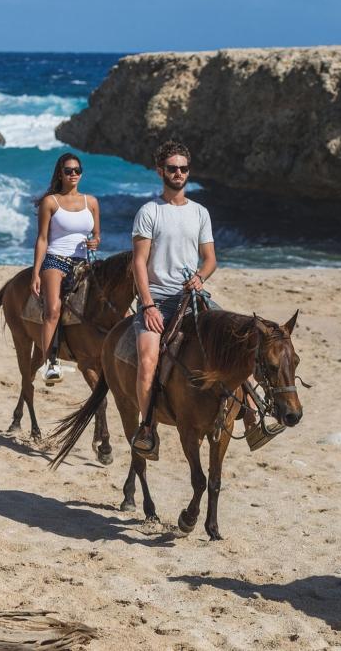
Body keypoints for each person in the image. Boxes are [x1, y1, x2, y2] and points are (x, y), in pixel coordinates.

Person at [130, 139, 216, 459]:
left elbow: (210, 259)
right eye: (172, 168)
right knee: (147, 360)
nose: (178, 173)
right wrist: (148, 305)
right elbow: (139, 262)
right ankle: (147, 429)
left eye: (183, 168)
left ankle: (251, 415)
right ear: (160, 171)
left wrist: (200, 276)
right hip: (158, 298)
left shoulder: (200, 212)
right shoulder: (149, 211)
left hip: (192, 297)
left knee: (234, 337)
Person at [30, 153, 101, 383]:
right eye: (68, 171)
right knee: (53, 309)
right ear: (60, 174)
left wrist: (95, 242)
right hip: (55, 260)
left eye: (77, 170)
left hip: (83, 263)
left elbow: (96, 235)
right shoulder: (51, 202)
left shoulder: (91, 202)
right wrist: (36, 273)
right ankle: (51, 362)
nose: (73, 174)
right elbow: (42, 239)